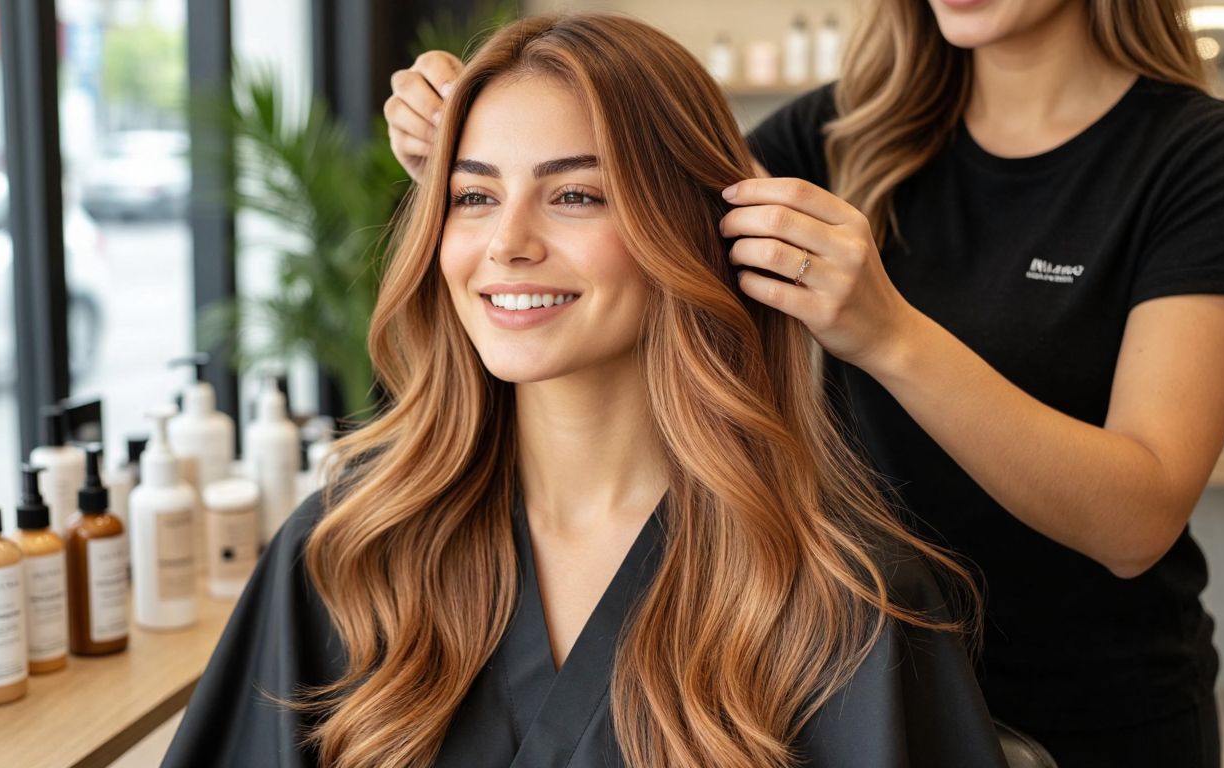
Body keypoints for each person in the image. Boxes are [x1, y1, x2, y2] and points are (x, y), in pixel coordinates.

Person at [386, 1, 1224, 766]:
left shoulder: (1204, 155)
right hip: (835, 680)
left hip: (1094, 710)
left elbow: (1137, 520)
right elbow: (633, 240)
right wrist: (479, 160)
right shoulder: (827, 138)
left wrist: (888, 331)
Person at [164, 14, 1009, 768]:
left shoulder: (842, 606)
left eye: (574, 194)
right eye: (473, 194)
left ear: (690, 229)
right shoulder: (350, 555)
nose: (507, 242)